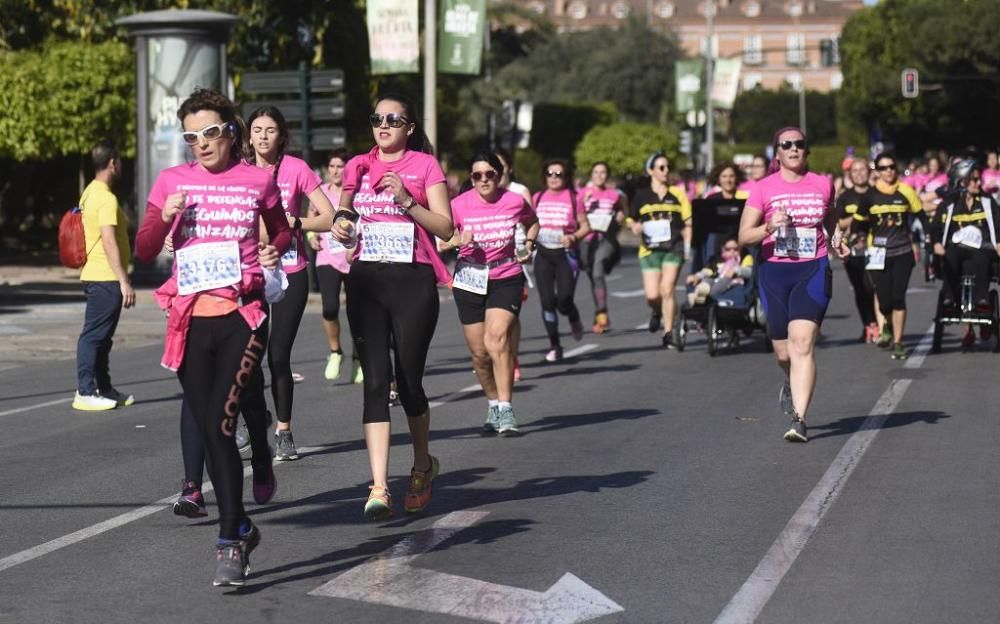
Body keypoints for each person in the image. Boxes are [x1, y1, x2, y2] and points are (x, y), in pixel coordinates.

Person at [135, 88, 292, 586]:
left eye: (208, 133)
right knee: (207, 425)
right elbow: (143, 250)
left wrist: (273, 253)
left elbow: (282, 230)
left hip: (243, 315)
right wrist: (165, 217)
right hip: (189, 319)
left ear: (230, 131)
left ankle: (228, 540)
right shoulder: (171, 182)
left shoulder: (258, 179)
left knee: (222, 426)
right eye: (190, 136)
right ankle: (243, 524)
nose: (199, 144)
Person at [331, 92, 453, 521]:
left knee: (409, 381)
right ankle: (379, 484)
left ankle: (421, 464)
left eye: (393, 119)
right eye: (377, 118)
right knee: (375, 381)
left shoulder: (425, 166)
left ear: (409, 128)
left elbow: (445, 225)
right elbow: (343, 213)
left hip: (412, 281)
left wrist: (406, 200)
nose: (383, 125)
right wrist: (343, 227)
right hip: (365, 279)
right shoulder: (358, 165)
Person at [738, 127, 849, 443]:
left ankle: (799, 419)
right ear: (778, 153)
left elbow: (830, 219)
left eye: (800, 144)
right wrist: (770, 225)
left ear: (806, 150)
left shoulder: (823, 184)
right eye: (787, 145)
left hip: (812, 268)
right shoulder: (763, 188)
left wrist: (837, 239)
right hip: (774, 272)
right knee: (783, 352)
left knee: (802, 342)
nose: (794, 149)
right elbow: (744, 235)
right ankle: (789, 380)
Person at [246, 106, 336, 460]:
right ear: (249, 135)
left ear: (281, 136)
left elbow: (329, 217)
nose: (263, 136)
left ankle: (284, 430)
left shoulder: (296, 169)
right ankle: (249, 416)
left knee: (277, 354)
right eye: (257, 129)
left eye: (270, 130)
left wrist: (295, 223)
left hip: (290, 271)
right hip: (248, 272)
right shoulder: (238, 171)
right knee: (245, 356)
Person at [450, 153, 538, 435]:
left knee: (496, 339)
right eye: (477, 175)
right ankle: (492, 404)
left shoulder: (513, 201)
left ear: (499, 176)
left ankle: (506, 407)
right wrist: (456, 239)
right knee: (479, 354)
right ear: (471, 178)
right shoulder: (458, 205)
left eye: (490, 174)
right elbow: (439, 237)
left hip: (506, 275)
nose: (484, 180)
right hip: (470, 278)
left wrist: (529, 243)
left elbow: (532, 221)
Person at [73, 140, 136, 411]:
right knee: (93, 336)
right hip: (105, 277)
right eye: (119, 160)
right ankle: (85, 391)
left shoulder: (89, 193)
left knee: (103, 337)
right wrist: (124, 280)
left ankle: (104, 389)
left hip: (98, 275)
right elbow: (109, 240)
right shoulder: (106, 198)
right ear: (113, 162)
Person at [856, 153, 924, 359]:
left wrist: (928, 239)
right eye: (884, 168)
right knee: (884, 301)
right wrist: (858, 236)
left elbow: (921, 216)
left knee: (898, 297)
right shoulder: (870, 195)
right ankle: (885, 324)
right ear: (877, 171)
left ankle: (898, 341)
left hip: (903, 252)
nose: (889, 171)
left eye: (892, 167)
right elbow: (858, 222)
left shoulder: (906, 190)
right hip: (878, 253)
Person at [931, 159, 1000, 346]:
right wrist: (937, 243)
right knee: (951, 256)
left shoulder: (987, 202)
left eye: (979, 179)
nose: (979, 183)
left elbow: (998, 222)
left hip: (981, 250)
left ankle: (982, 300)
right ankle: (949, 300)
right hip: (956, 250)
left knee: (981, 257)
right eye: (974, 179)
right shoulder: (949, 204)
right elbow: (936, 226)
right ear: (962, 182)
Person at [309, 148, 363, 384]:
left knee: (356, 313)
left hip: (353, 258)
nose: (335, 171)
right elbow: (311, 216)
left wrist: (357, 243)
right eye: (332, 167)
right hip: (328, 258)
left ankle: (358, 358)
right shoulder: (321, 192)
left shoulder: (356, 193)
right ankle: (335, 352)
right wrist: (311, 235)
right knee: (330, 307)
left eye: (340, 166)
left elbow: (366, 221)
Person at [628, 152, 691, 348]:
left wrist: (688, 246)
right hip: (649, 250)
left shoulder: (678, 193)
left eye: (667, 167)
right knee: (653, 295)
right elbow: (632, 218)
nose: (666, 171)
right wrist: (634, 226)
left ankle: (668, 333)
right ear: (651, 171)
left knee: (667, 289)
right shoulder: (642, 195)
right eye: (661, 168)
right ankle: (657, 311)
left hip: (674, 247)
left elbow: (688, 222)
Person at [532, 159, 590, 361]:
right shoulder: (537, 197)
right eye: (550, 173)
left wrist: (574, 237)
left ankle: (572, 316)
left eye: (559, 174)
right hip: (544, 254)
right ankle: (555, 344)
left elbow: (585, 227)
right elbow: (529, 224)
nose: (554, 178)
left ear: (566, 177)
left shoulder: (574, 198)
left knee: (564, 300)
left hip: (566, 255)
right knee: (547, 301)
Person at [495, 149, 532, 381]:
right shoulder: (481, 192)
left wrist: (528, 246)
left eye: (500, 166)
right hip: (486, 259)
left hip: (516, 257)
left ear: (508, 167)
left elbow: (531, 222)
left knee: (512, 315)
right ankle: (493, 354)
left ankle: (513, 357)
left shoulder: (519, 192)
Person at [835, 157, 879, 343]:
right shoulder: (845, 197)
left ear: (869, 172)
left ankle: (880, 324)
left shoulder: (877, 193)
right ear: (850, 175)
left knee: (874, 288)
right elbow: (837, 222)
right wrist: (856, 217)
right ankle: (869, 324)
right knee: (860, 289)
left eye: (863, 170)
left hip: (875, 248)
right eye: (855, 171)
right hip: (853, 249)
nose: (859, 173)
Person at [578, 162, 624, 334]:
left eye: (603, 172)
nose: (599, 175)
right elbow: (575, 215)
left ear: (607, 175)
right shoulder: (582, 193)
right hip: (586, 241)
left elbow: (622, 210)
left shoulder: (613, 195)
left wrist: (620, 216)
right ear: (591, 174)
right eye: (596, 172)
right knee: (593, 276)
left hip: (606, 239)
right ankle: (599, 313)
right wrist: (583, 202)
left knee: (597, 272)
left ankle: (602, 311)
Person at [685, 236, 754, 307]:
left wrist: (736, 270)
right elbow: (708, 270)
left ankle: (705, 295)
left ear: (741, 249)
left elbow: (749, 271)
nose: (732, 252)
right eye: (728, 249)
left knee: (724, 279)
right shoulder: (718, 260)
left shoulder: (745, 258)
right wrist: (698, 276)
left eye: (736, 249)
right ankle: (701, 290)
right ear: (722, 249)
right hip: (715, 280)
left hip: (732, 282)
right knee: (708, 280)